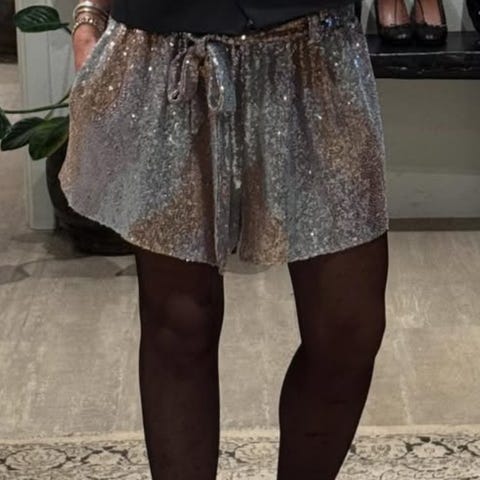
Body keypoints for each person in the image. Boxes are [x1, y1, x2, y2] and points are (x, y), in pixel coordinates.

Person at [60, 1, 390, 478]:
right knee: (179, 324)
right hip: (169, 52)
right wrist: (90, 12)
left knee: (349, 328)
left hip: (318, 51)